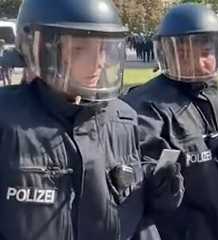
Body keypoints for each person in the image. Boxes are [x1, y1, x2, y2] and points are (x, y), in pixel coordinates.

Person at [0, 0, 183, 239]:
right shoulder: (7, 119)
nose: (98, 63)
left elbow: (141, 218)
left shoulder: (123, 119)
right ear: (41, 48)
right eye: (80, 49)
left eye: (103, 49)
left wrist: (162, 186)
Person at [123, 4, 218, 240]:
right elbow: (139, 194)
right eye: (184, 53)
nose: (199, 62)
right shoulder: (145, 107)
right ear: (167, 53)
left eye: (206, 52)